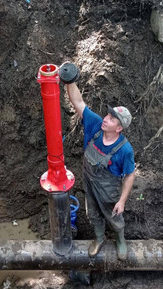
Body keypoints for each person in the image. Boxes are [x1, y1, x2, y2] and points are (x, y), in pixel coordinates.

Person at [59, 63, 135, 260]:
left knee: (113, 215)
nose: (106, 119)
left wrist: (122, 200)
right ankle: (99, 238)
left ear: (119, 128)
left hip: (108, 188)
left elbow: (129, 175)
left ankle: (120, 239)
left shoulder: (124, 150)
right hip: (89, 182)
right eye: (108, 115)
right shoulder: (95, 125)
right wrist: (70, 80)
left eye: (111, 119)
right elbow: (78, 102)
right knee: (92, 213)